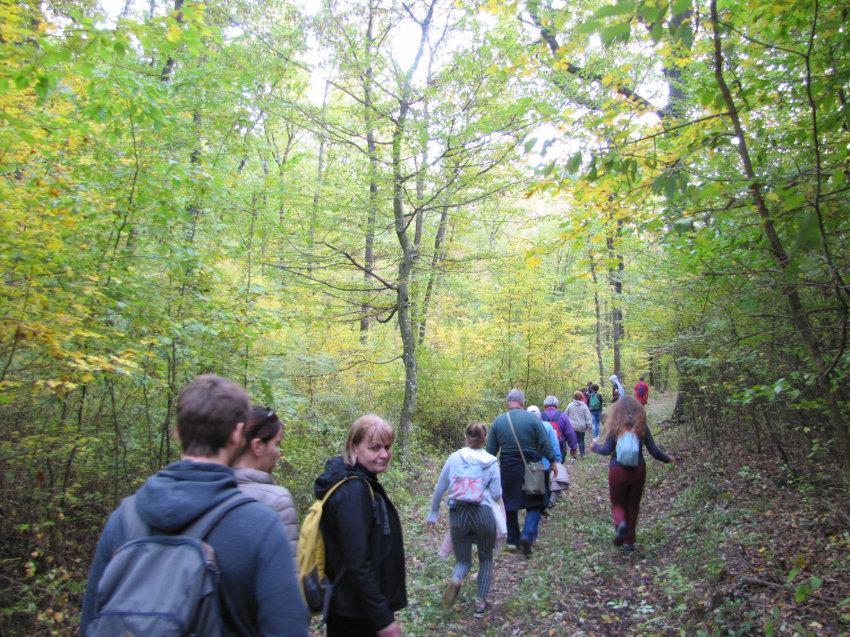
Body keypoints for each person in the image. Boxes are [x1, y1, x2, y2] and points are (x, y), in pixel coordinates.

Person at [80, 375, 309, 637]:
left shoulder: (123, 519)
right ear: (237, 435)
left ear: (177, 432)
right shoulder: (260, 525)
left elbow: (90, 623)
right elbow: (287, 628)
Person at [314, 415, 406, 637]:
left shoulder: (359, 482)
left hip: (356, 607)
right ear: (353, 448)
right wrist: (383, 619)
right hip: (354, 614)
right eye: (374, 448)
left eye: (388, 446)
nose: (384, 454)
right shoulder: (353, 491)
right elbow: (357, 560)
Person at [426, 423, 501, 614]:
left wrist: (433, 514)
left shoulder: (454, 458)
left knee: (463, 560)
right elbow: (495, 493)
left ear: (466, 437)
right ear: (485, 439)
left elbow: (441, 487)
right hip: (483, 513)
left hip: (458, 512)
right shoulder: (491, 461)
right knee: (485, 559)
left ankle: (456, 579)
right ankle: (480, 603)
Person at [590, 396, 677, 555]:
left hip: (617, 469)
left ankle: (620, 524)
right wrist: (668, 459)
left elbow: (606, 450)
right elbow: (654, 451)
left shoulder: (616, 425)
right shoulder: (641, 426)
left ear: (617, 411)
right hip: (638, 469)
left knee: (617, 503)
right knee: (633, 506)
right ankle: (629, 543)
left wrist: (594, 447)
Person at [486, 389, 556, 557]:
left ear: (507, 403)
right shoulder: (532, 418)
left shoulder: (498, 421)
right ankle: (528, 534)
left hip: (508, 467)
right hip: (531, 465)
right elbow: (544, 442)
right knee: (537, 502)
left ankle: (513, 540)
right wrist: (552, 460)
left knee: (509, 502)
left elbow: (490, 452)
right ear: (523, 403)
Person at [232, 406, 298, 559]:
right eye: (277, 444)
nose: (278, 453)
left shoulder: (211, 488)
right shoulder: (276, 501)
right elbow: (287, 575)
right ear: (258, 446)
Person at [527, 405, 562, 509]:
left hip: (530, 463)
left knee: (532, 484)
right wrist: (557, 459)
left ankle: (534, 506)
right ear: (539, 415)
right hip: (546, 462)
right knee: (546, 483)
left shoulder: (523, 428)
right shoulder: (547, 425)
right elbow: (554, 443)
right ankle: (545, 505)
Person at [540, 396, 578, 460]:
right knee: (558, 468)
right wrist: (573, 448)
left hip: (543, 448)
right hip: (560, 447)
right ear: (557, 404)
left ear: (544, 405)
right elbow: (570, 432)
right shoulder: (563, 416)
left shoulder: (540, 416)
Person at [565, 391, 592, 456]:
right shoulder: (584, 406)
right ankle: (582, 453)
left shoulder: (570, 405)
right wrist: (590, 426)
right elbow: (588, 417)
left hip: (572, 426)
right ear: (581, 397)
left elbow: (565, 414)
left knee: (573, 441)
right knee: (581, 440)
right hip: (582, 427)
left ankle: (573, 454)